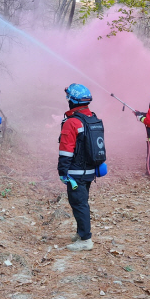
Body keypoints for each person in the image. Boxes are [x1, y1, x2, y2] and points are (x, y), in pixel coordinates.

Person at [58, 83, 105, 252]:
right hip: (89, 171)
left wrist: (62, 171)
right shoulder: (92, 118)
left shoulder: (72, 122)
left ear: (72, 101)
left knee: (79, 204)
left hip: (75, 173)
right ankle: (81, 232)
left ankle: (85, 239)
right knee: (81, 202)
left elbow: (66, 150)